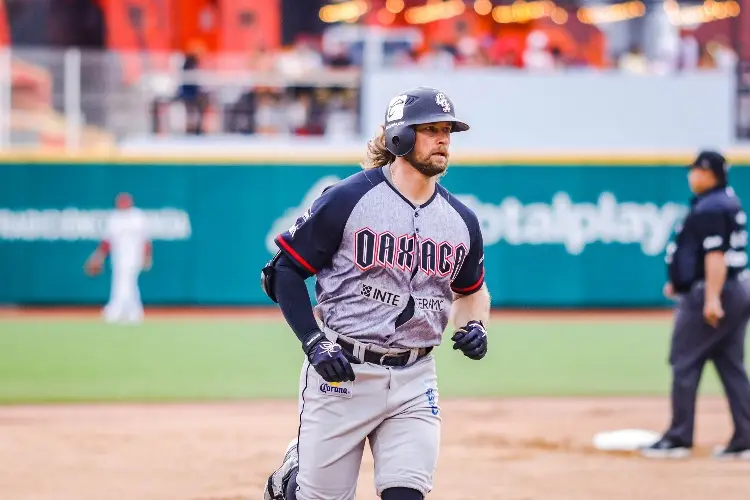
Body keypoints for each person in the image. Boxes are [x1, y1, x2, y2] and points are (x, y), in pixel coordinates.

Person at [259, 87, 490, 500]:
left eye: (448, 131)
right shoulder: (348, 199)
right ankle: (291, 482)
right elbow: (284, 272)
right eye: (431, 129)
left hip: (416, 380)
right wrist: (314, 344)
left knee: (407, 493)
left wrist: (475, 324)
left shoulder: (462, 220)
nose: (444, 139)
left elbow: (472, 290)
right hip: (342, 372)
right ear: (399, 137)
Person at [642, 150, 750, 460]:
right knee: (731, 366)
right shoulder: (727, 200)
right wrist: (681, 279)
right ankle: (745, 437)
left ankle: (678, 437)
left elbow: (715, 255)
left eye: (696, 171)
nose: (692, 175)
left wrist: (712, 297)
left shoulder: (713, 206)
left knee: (684, 361)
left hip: (715, 292)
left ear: (709, 173)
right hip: (737, 287)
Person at [85, 192, 152, 324]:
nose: (123, 205)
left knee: (126, 283)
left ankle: (115, 311)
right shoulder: (114, 218)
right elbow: (107, 241)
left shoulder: (137, 217)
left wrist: (147, 256)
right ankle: (134, 312)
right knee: (123, 283)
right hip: (118, 258)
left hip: (134, 257)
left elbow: (146, 240)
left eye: (125, 202)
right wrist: (98, 257)